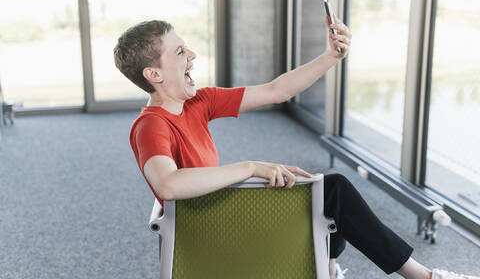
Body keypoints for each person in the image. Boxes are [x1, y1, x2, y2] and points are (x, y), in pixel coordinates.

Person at [113, 19, 478, 279]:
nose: (191, 53)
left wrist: (331, 57)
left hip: (224, 211)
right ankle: (420, 277)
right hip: (208, 230)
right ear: (154, 75)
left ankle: (329, 267)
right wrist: (251, 166)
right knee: (330, 190)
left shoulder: (199, 102)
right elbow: (169, 185)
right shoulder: (151, 125)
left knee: (321, 191)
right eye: (179, 52)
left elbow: (277, 91)